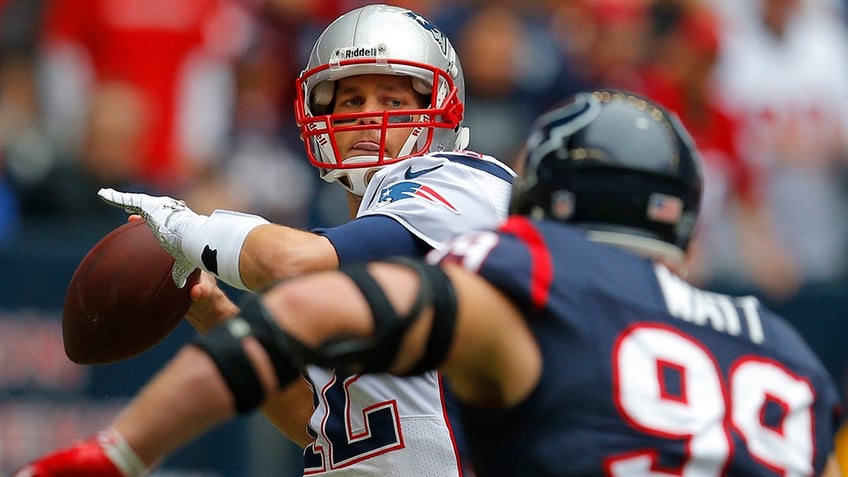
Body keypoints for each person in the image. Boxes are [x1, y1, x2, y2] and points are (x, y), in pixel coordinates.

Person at [16, 89, 843, 476]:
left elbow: (307, 289)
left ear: (541, 200)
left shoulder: (529, 268)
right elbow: (330, 419)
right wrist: (224, 317)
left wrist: (124, 450)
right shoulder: (787, 351)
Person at [16, 4, 515, 476]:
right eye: (351, 99)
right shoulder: (355, 236)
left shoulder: (463, 183)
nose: (367, 115)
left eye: (393, 100)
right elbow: (323, 424)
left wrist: (184, 227)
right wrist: (211, 310)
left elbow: (292, 263)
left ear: (442, 109)